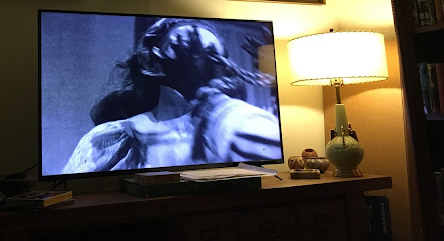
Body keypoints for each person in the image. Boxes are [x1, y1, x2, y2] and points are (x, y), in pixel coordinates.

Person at [62, 18, 282, 174]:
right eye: (186, 47)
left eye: (210, 53)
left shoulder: (235, 120)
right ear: (153, 64)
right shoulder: (114, 137)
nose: (197, 59)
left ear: (223, 68)